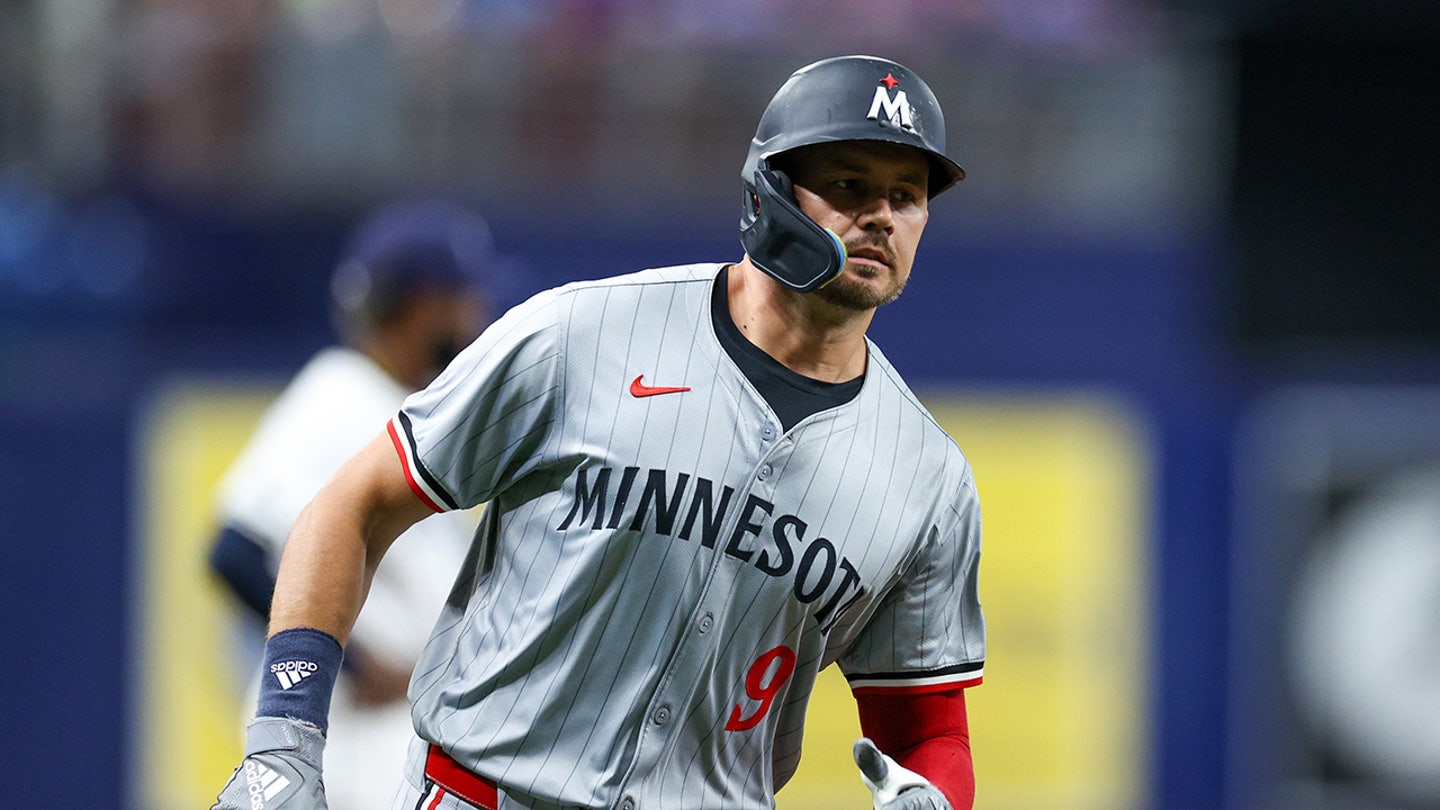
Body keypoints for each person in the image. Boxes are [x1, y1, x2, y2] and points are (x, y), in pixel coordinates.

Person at [213, 54, 985, 810]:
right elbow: (354, 505)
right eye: (850, 185)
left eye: (907, 196)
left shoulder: (927, 477)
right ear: (770, 194)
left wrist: (936, 798)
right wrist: (285, 732)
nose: (882, 216)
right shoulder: (582, 334)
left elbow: (927, 731)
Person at [206, 197, 513, 810]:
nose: (477, 317)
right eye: (464, 300)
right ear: (424, 306)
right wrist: (353, 665)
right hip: (347, 742)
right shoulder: (340, 395)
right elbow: (235, 552)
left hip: (386, 740)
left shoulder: (399, 406)